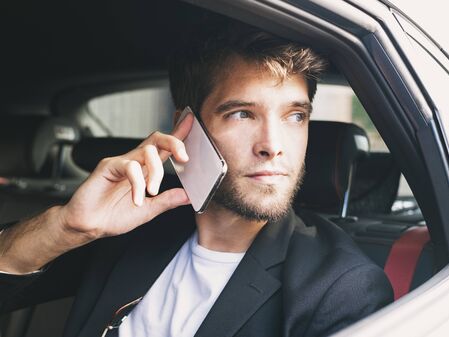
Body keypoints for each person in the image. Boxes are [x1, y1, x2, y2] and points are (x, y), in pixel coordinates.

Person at [0, 22, 393, 337]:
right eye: (242, 113)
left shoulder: (341, 288)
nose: (273, 146)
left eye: (295, 116)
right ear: (185, 127)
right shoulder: (132, 227)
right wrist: (67, 226)